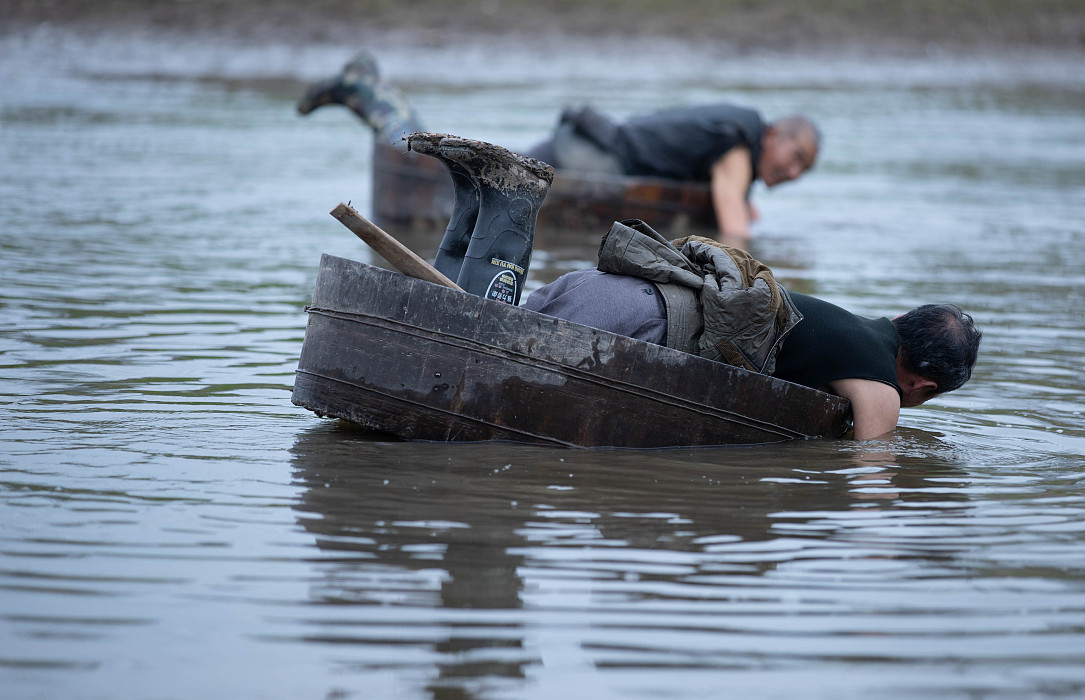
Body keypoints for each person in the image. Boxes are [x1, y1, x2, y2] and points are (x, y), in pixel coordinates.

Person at [298, 52, 820, 248]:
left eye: (805, 171)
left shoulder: (739, 137)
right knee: (458, 172)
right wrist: (760, 262)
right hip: (591, 158)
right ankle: (370, 93)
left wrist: (744, 202)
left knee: (465, 170)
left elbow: (736, 198)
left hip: (588, 147)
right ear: (773, 135)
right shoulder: (738, 145)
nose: (795, 173)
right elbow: (734, 228)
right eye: (795, 157)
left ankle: (371, 93)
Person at [522, 221, 982, 440]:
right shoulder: (882, 388)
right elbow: (870, 478)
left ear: (899, 319)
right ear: (924, 386)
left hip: (593, 285)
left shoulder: (855, 329)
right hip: (647, 324)